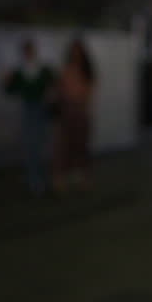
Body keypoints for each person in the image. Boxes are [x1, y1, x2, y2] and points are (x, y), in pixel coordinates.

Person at [2, 38, 55, 195]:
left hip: (40, 109)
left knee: (39, 144)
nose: (28, 53)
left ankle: (39, 178)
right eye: (26, 51)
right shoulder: (21, 71)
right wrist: (6, 81)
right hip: (29, 109)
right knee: (31, 145)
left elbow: (53, 86)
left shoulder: (42, 69)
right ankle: (35, 180)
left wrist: (50, 94)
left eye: (30, 50)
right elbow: (10, 90)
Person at [51, 37, 96, 192]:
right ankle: (61, 179)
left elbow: (89, 92)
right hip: (67, 111)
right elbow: (59, 90)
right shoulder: (66, 69)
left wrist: (82, 105)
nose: (76, 54)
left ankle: (83, 178)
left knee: (81, 146)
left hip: (80, 111)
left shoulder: (87, 71)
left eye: (78, 51)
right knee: (64, 147)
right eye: (74, 51)